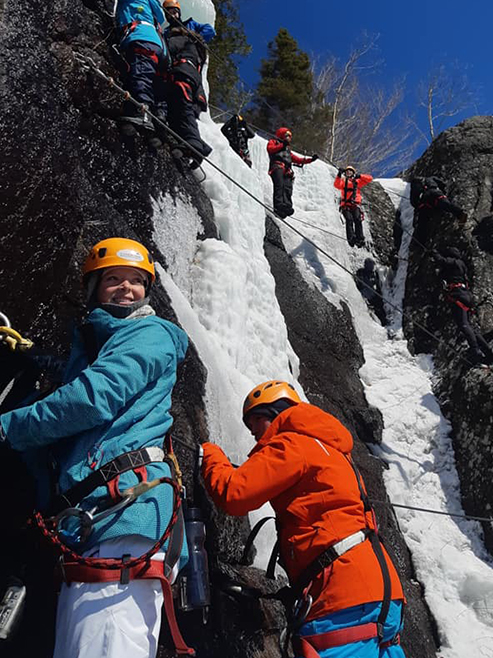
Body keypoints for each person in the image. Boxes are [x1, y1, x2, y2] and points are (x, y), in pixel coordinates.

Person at [0, 238, 190, 658]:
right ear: (93, 289)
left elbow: (93, 398)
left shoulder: (150, 333)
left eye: (136, 281)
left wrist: (6, 427)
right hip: (101, 522)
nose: (126, 288)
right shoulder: (102, 344)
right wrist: (45, 363)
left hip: (124, 514)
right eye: (113, 280)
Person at [200, 381, 407, 658]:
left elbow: (235, 494)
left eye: (257, 422)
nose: (254, 434)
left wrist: (211, 455)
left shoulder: (292, 441)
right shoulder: (334, 451)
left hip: (342, 597)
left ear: (278, 412)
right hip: (384, 593)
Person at [162, 0, 215, 167]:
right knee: (182, 109)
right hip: (183, 72)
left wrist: (193, 35)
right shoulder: (167, 32)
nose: (173, 14)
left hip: (188, 70)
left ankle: (194, 145)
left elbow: (209, 31)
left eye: (175, 11)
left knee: (184, 104)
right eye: (169, 12)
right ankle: (198, 147)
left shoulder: (190, 24)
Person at [431, 247, 493, 366]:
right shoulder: (462, 266)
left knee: (464, 325)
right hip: (466, 295)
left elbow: (441, 261)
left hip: (457, 295)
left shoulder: (454, 262)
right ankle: (489, 353)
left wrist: (434, 252)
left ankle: (476, 354)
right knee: (471, 327)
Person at [115, 0, 168, 137]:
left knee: (140, 74)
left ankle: (143, 112)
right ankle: (144, 118)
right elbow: (161, 17)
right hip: (153, 41)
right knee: (142, 75)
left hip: (142, 36)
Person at [267, 127, 317, 218]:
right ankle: (278, 206)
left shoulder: (288, 150)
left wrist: (311, 160)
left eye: (290, 136)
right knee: (279, 186)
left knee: (287, 188)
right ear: (282, 135)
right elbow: (270, 149)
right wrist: (282, 145)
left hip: (287, 170)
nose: (289, 138)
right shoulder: (274, 142)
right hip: (277, 166)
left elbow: (298, 159)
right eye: (287, 136)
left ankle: (286, 206)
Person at [333, 166, 373, 248]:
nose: (349, 173)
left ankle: (360, 238)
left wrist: (360, 176)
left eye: (350, 172)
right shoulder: (343, 181)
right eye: (347, 171)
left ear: (353, 173)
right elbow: (336, 185)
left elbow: (370, 178)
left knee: (357, 219)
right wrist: (339, 174)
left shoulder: (358, 181)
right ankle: (351, 238)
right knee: (349, 219)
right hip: (346, 205)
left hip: (355, 205)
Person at [356, 258, 387, 326]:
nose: (373, 267)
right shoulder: (361, 272)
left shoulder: (373, 274)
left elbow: (377, 284)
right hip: (366, 293)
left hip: (373, 294)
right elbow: (359, 283)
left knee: (380, 304)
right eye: (371, 265)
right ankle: (381, 322)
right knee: (376, 305)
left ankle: (384, 322)